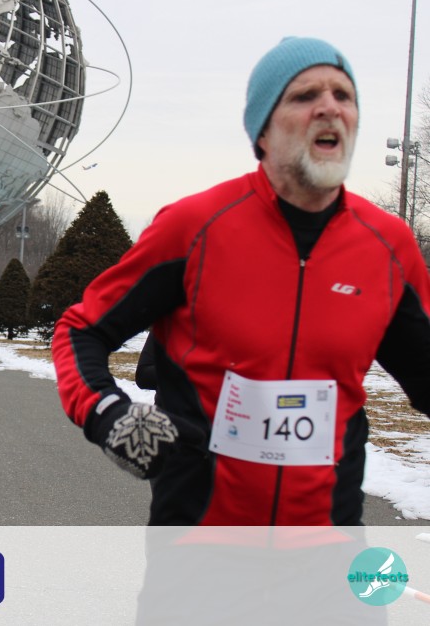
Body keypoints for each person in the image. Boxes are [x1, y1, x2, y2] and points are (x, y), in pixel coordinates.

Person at [53, 37, 430, 527]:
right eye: (304, 95)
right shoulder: (193, 228)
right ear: (263, 129)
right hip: (199, 537)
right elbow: (81, 330)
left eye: (344, 95)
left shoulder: (388, 246)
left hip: (330, 542)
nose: (330, 108)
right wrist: (108, 413)